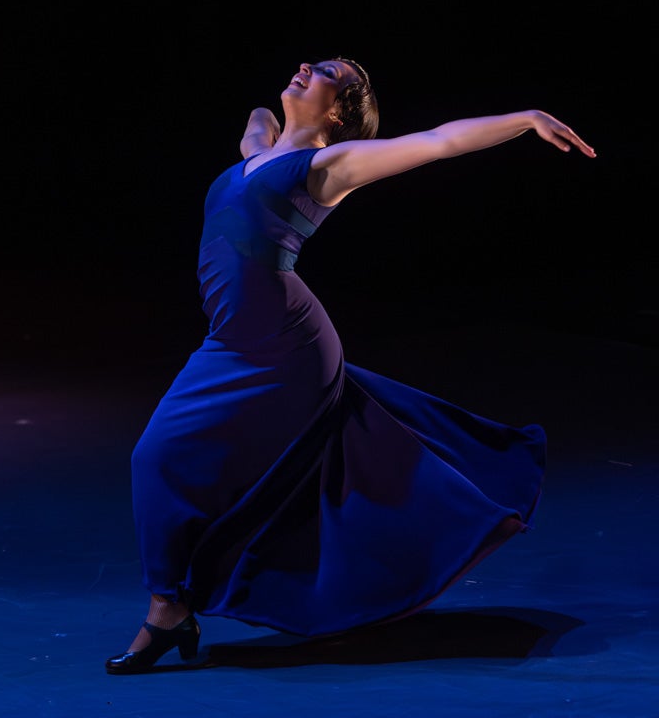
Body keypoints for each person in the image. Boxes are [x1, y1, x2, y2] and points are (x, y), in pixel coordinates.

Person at [105, 58, 596, 674]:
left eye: (327, 72)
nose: (306, 66)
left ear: (338, 113)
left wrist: (524, 118)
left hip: (284, 343)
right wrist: (277, 119)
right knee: (167, 458)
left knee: (161, 455)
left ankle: (168, 612)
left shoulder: (330, 167)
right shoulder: (260, 149)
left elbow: (437, 141)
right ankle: (177, 605)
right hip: (233, 338)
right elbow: (256, 121)